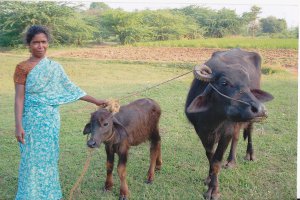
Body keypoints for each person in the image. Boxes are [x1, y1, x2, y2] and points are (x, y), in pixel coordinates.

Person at [13, 25, 107, 199]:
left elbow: (72, 89)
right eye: (36, 43)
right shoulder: (22, 68)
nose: (40, 46)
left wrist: (96, 101)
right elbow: (19, 98)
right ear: (29, 44)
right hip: (30, 120)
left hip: (50, 120)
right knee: (30, 159)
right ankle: (30, 194)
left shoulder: (54, 67)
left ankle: (49, 194)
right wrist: (18, 125)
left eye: (44, 42)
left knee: (49, 158)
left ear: (48, 43)